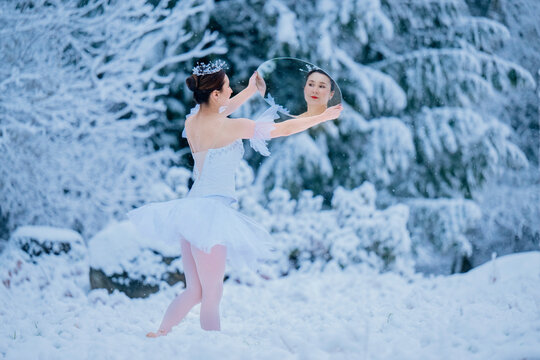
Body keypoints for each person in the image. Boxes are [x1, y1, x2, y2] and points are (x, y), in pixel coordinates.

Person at [127, 60, 342, 337]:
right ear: (215, 94)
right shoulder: (231, 127)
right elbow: (284, 129)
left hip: (189, 211)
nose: (231, 92)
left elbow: (220, 109)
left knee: (195, 290)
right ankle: (212, 349)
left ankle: (160, 334)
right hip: (210, 214)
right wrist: (321, 117)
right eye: (228, 88)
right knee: (213, 292)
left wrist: (252, 89)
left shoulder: (192, 121)